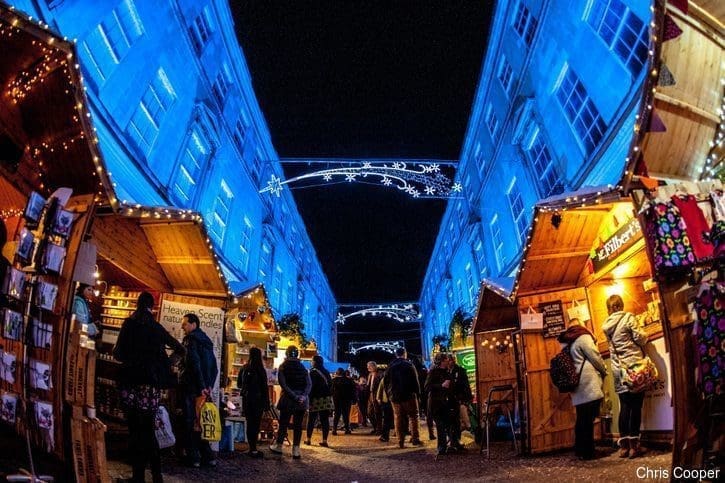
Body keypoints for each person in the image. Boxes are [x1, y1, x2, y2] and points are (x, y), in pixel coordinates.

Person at [113, 291, 184, 483]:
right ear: (151, 307)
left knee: (135, 431)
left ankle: (137, 477)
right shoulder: (156, 327)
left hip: (130, 384)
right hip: (150, 388)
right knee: (148, 431)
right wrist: (165, 365)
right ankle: (157, 475)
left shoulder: (129, 324)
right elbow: (180, 349)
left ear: (137, 304)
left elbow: (118, 354)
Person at [602, 294, 649, 458]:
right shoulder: (628, 317)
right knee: (636, 406)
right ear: (621, 305)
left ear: (608, 309)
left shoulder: (606, 326)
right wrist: (645, 334)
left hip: (618, 370)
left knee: (625, 406)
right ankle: (634, 446)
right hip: (634, 368)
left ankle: (623, 447)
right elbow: (640, 338)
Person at [558, 319, 607, 460]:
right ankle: (588, 452)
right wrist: (604, 370)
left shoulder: (567, 341)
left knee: (582, 418)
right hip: (588, 383)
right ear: (580, 325)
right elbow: (595, 356)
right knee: (588, 418)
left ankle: (580, 450)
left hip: (576, 384)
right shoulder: (583, 337)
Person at [180, 313, 218, 468]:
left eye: (185, 324)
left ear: (194, 324)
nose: (183, 326)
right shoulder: (206, 342)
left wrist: (202, 386)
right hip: (203, 390)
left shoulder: (191, 340)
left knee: (190, 422)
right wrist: (209, 386)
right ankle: (208, 457)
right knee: (200, 422)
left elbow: (194, 363)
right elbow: (214, 367)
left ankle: (193, 457)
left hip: (192, 388)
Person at [270, 345, 311, 459]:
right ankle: (296, 450)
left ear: (287, 354)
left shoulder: (283, 367)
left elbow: (283, 384)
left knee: (283, 424)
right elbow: (309, 384)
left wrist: (294, 396)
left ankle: (279, 446)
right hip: (302, 402)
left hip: (288, 400)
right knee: (298, 425)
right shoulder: (303, 367)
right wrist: (302, 396)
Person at [383, 347, 423, 448]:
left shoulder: (390, 366)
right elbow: (415, 380)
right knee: (413, 416)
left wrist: (389, 395)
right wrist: (418, 394)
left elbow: (385, 382)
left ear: (396, 354)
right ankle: (415, 438)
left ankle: (400, 441)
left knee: (398, 417)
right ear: (404, 354)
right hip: (409, 395)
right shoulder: (409, 364)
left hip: (395, 396)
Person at [238, 346, 269, 458]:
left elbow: (239, 384)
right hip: (259, 401)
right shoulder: (261, 370)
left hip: (247, 400)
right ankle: (254, 448)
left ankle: (250, 447)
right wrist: (267, 404)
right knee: (256, 424)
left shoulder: (245, 368)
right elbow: (264, 387)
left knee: (249, 423)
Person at [425, 353, 455, 456]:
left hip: (445, 402)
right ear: (442, 361)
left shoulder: (448, 371)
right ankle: (442, 448)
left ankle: (450, 444)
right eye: (447, 359)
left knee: (448, 424)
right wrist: (441, 385)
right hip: (436, 403)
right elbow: (427, 387)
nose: (448, 361)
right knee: (440, 425)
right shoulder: (433, 372)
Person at [305, 355, 332, 447]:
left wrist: (309, 400)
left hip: (315, 399)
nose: (311, 362)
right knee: (325, 420)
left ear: (314, 362)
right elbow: (330, 385)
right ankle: (324, 441)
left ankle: (308, 439)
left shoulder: (312, 372)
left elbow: (310, 387)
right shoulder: (326, 372)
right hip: (326, 399)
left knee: (311, 419)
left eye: (311, 361)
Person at [448, 354, 472, 451]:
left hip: (459, 400)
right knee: (454, 421)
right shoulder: (446, 372)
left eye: (450, 360)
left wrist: (466, 398)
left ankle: (455, 438)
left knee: (465, 422)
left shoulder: (460, 371)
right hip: (451, 401)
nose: (449, 362)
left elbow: (465, 386)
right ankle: (454, 439)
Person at [332, 368, 356, 435]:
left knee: (337, 414)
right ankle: (347, 429)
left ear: (337, 373)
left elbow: (331, 390)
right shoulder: (349, 380)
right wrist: (354, 399)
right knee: (346, 415)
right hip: (347, 400)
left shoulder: (334, 380)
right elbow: (353, 390)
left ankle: (334, 429)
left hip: (337, 399)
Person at [366, 361, 384, 435]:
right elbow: (368, 385)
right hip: (370, 395)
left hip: (377, 395)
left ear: (374, 366)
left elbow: (382, 386)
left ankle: (379, 429)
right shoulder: (370, 375)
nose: (367, 368)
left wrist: (379, 397)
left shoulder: (380, 374)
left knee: (378, 413)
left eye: (369, 366)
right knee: (369, 413)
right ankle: (375, 427)